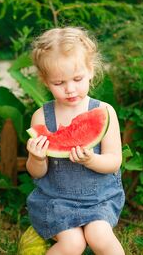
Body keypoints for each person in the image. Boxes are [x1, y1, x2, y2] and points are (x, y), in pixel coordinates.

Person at [26, 27, 125, 254]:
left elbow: (113, 161)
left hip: (99, 200)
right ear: (45, 80)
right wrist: (36, 157)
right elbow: (36, 173)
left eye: (77, 79)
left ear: (91, 70)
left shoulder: (104, 112)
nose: (70, 89)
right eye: (59, 83)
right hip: (55, 201)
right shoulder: (41, 117)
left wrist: (91, 160)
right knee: (73, 244)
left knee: (100, 237)